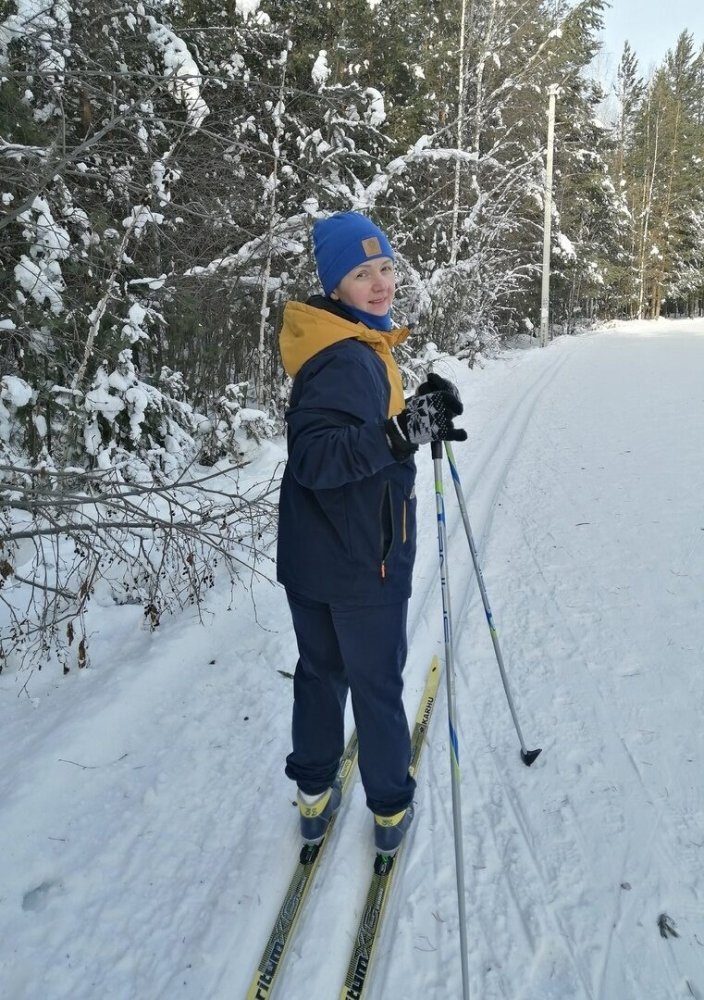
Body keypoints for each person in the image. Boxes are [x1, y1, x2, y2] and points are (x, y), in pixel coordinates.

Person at [277, 211, 466, 855]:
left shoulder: (349, 343)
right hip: (365, 560)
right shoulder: (344, 359)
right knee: (376, 686)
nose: (381, 283)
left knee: (321, 673)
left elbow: (357, 432)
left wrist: (412, 417)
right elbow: (319, 457)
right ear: (336, 285)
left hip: (318, 554)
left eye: (385, 267)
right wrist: (401, 432)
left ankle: (313, 796)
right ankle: (389, 808)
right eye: (362, 273)